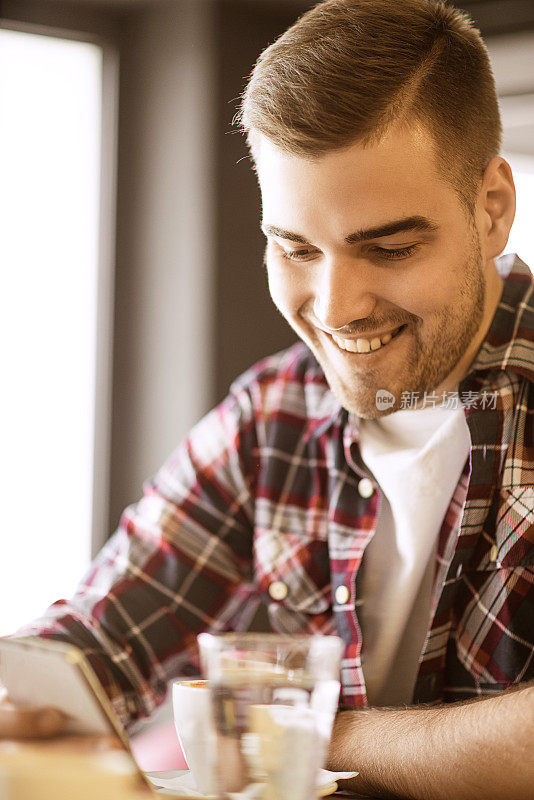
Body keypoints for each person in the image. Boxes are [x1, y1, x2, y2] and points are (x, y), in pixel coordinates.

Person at [2, 0, 533, 797]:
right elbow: (97, 638)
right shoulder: (272, 414)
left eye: (388, 247)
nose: (338, 304)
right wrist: (28, 699)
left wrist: (310, 728)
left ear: (492, 208)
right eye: (294, 247)